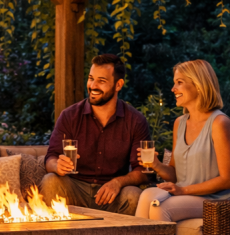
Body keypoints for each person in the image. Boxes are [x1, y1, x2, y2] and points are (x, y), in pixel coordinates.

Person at [135, 59, 230, 235]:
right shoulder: (179, 123)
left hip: (218, 199)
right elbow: (178, 174)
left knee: (161, 209)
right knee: (147, 194)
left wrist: (182, 190)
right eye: (174, 83)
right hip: (189, 194)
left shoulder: (220, 123)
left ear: (199, 85)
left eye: (179, 83)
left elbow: (228, 179)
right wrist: (158, 165)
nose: (173, 89)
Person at [40, 53, 151, 214]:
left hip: (112, 193)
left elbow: (142, 171)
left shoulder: (135, 120)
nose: (93, 85)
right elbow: (50, 158)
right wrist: (57, 166)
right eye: (91, 78)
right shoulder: (70, 115)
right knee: (50, 181)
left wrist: (118, 182)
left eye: (102, 81)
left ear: (118, 84)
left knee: (134, 195)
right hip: (75, 189)